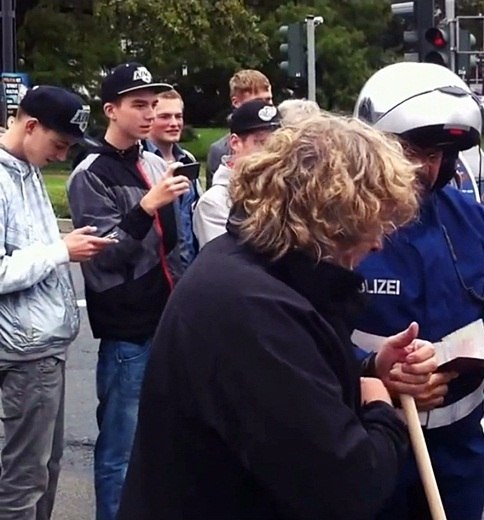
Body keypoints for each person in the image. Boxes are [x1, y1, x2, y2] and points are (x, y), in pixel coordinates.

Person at [116, 114, 433, 519]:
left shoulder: (252, 270)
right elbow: (346, 487)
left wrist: (367, 368)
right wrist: (379, 409)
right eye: (373, 222)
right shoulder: (252, 308)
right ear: (332, 217)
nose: (378, 243)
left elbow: (289, 391)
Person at [353, 62, 484, 520]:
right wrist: (374, 377)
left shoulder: (475, 221)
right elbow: (301, 332)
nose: (424, 167)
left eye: (436, 154)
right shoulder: (338, 229)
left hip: (459, 453)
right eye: (411, 148)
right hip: (369, 445)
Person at [67, 62, 189, 520]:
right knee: (121, 444)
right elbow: (101, 256)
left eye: (152, 105)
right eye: (138, 105)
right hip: (128, 328)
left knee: (164, 440)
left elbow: (177, 245)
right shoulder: (90, 173)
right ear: (110, 110)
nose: (149, 114)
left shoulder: (156, 161)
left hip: (168, 316)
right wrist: (145, 206)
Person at [0, 86, 114, 520]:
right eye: (59, 144)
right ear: (30, 126)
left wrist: (65, 247)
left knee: (43, 470)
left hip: (40, 346)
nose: (63, 156)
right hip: (24, 348)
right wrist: (62, 251)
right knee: (24, 480)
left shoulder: (24, 168)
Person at [193, 99, 281, 247]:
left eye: (277, 143)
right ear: (235, 143)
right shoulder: (214, 203)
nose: (271, 152)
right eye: (261, 143)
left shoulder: (281, 189)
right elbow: (224, 264)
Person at [143, 88, 200, 267]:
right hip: (159, 269)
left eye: (178, 116)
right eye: (165, 117)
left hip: (190, 266)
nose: (174, 123)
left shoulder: (188, 160)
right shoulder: (140, 163)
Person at [205, 69, 272, 188]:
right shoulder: (220, 150)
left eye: (268, 100)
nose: (264, 107)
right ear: (236, 102)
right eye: (256, 102)